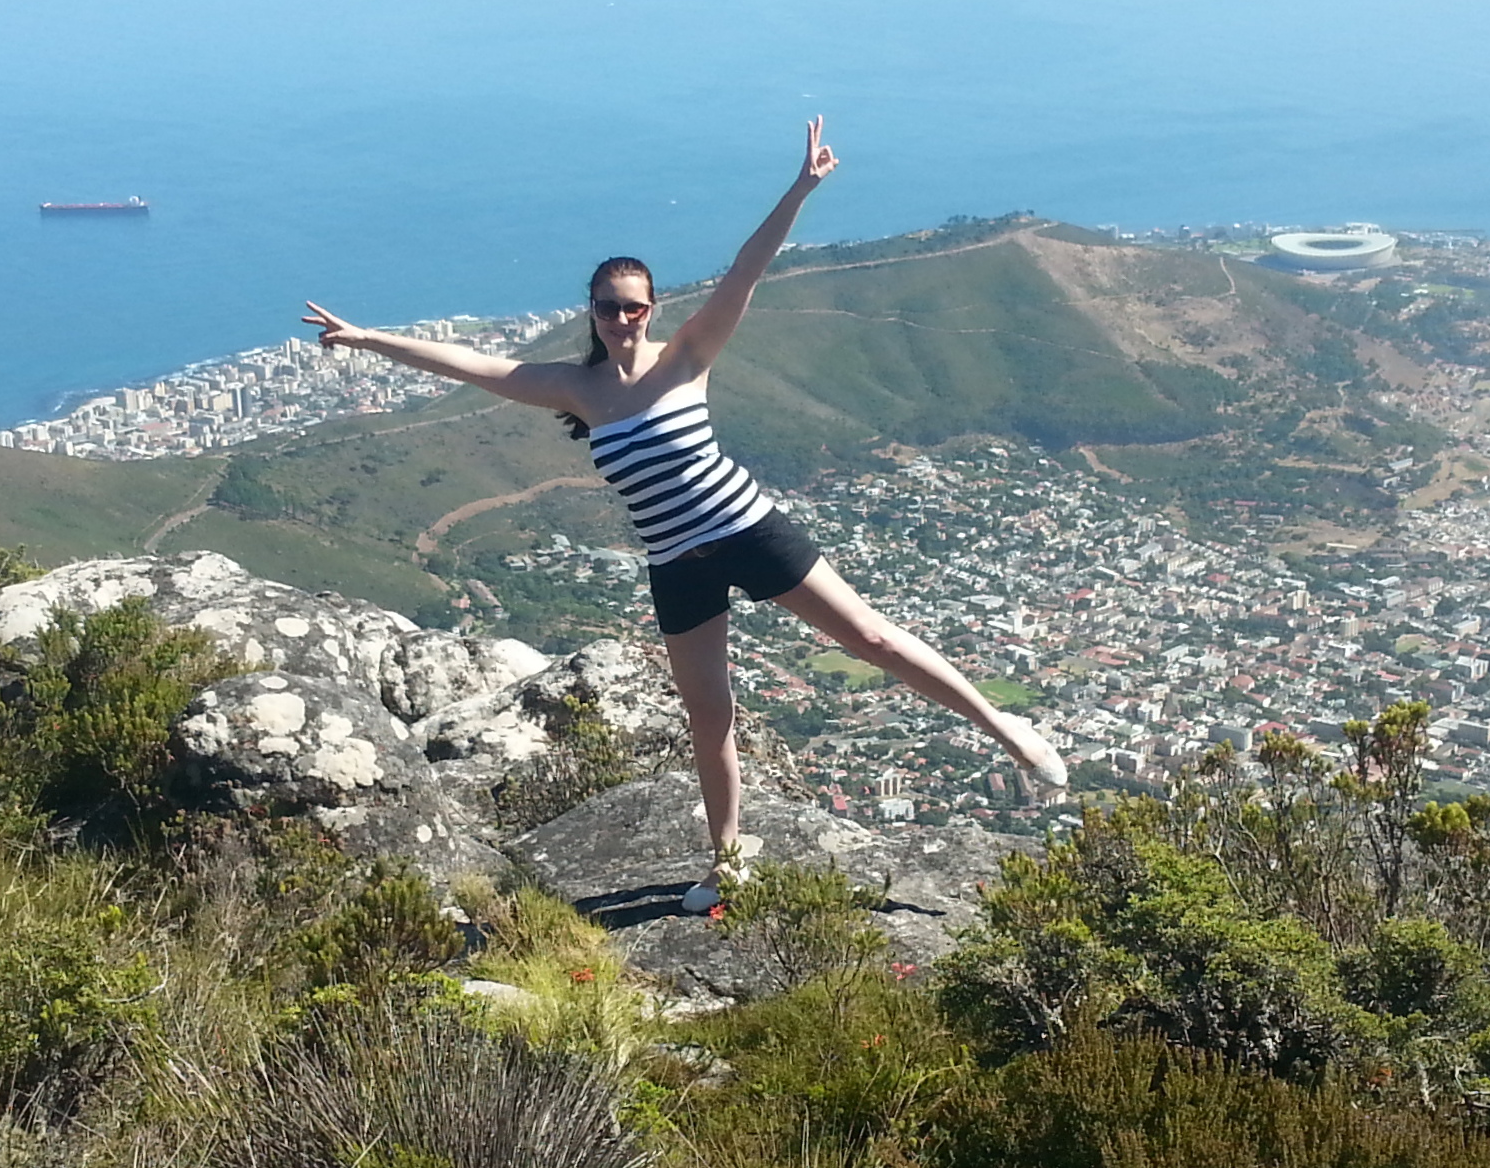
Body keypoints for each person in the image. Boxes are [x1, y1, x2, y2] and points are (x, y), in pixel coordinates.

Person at [303, 118, 1067, 912]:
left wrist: (801, 188)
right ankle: (726, 860)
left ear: (652, 307)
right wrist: (366, 338)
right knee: (709, 713)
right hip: (675, 562)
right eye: (608, 307)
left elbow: (747, 269)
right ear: (592, 310)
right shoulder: (575, 387)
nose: (621, 318)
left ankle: (1008, 732)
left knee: (869, 638)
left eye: (633, 307)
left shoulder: (687, 356)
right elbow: (472, 365)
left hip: (747, 528)